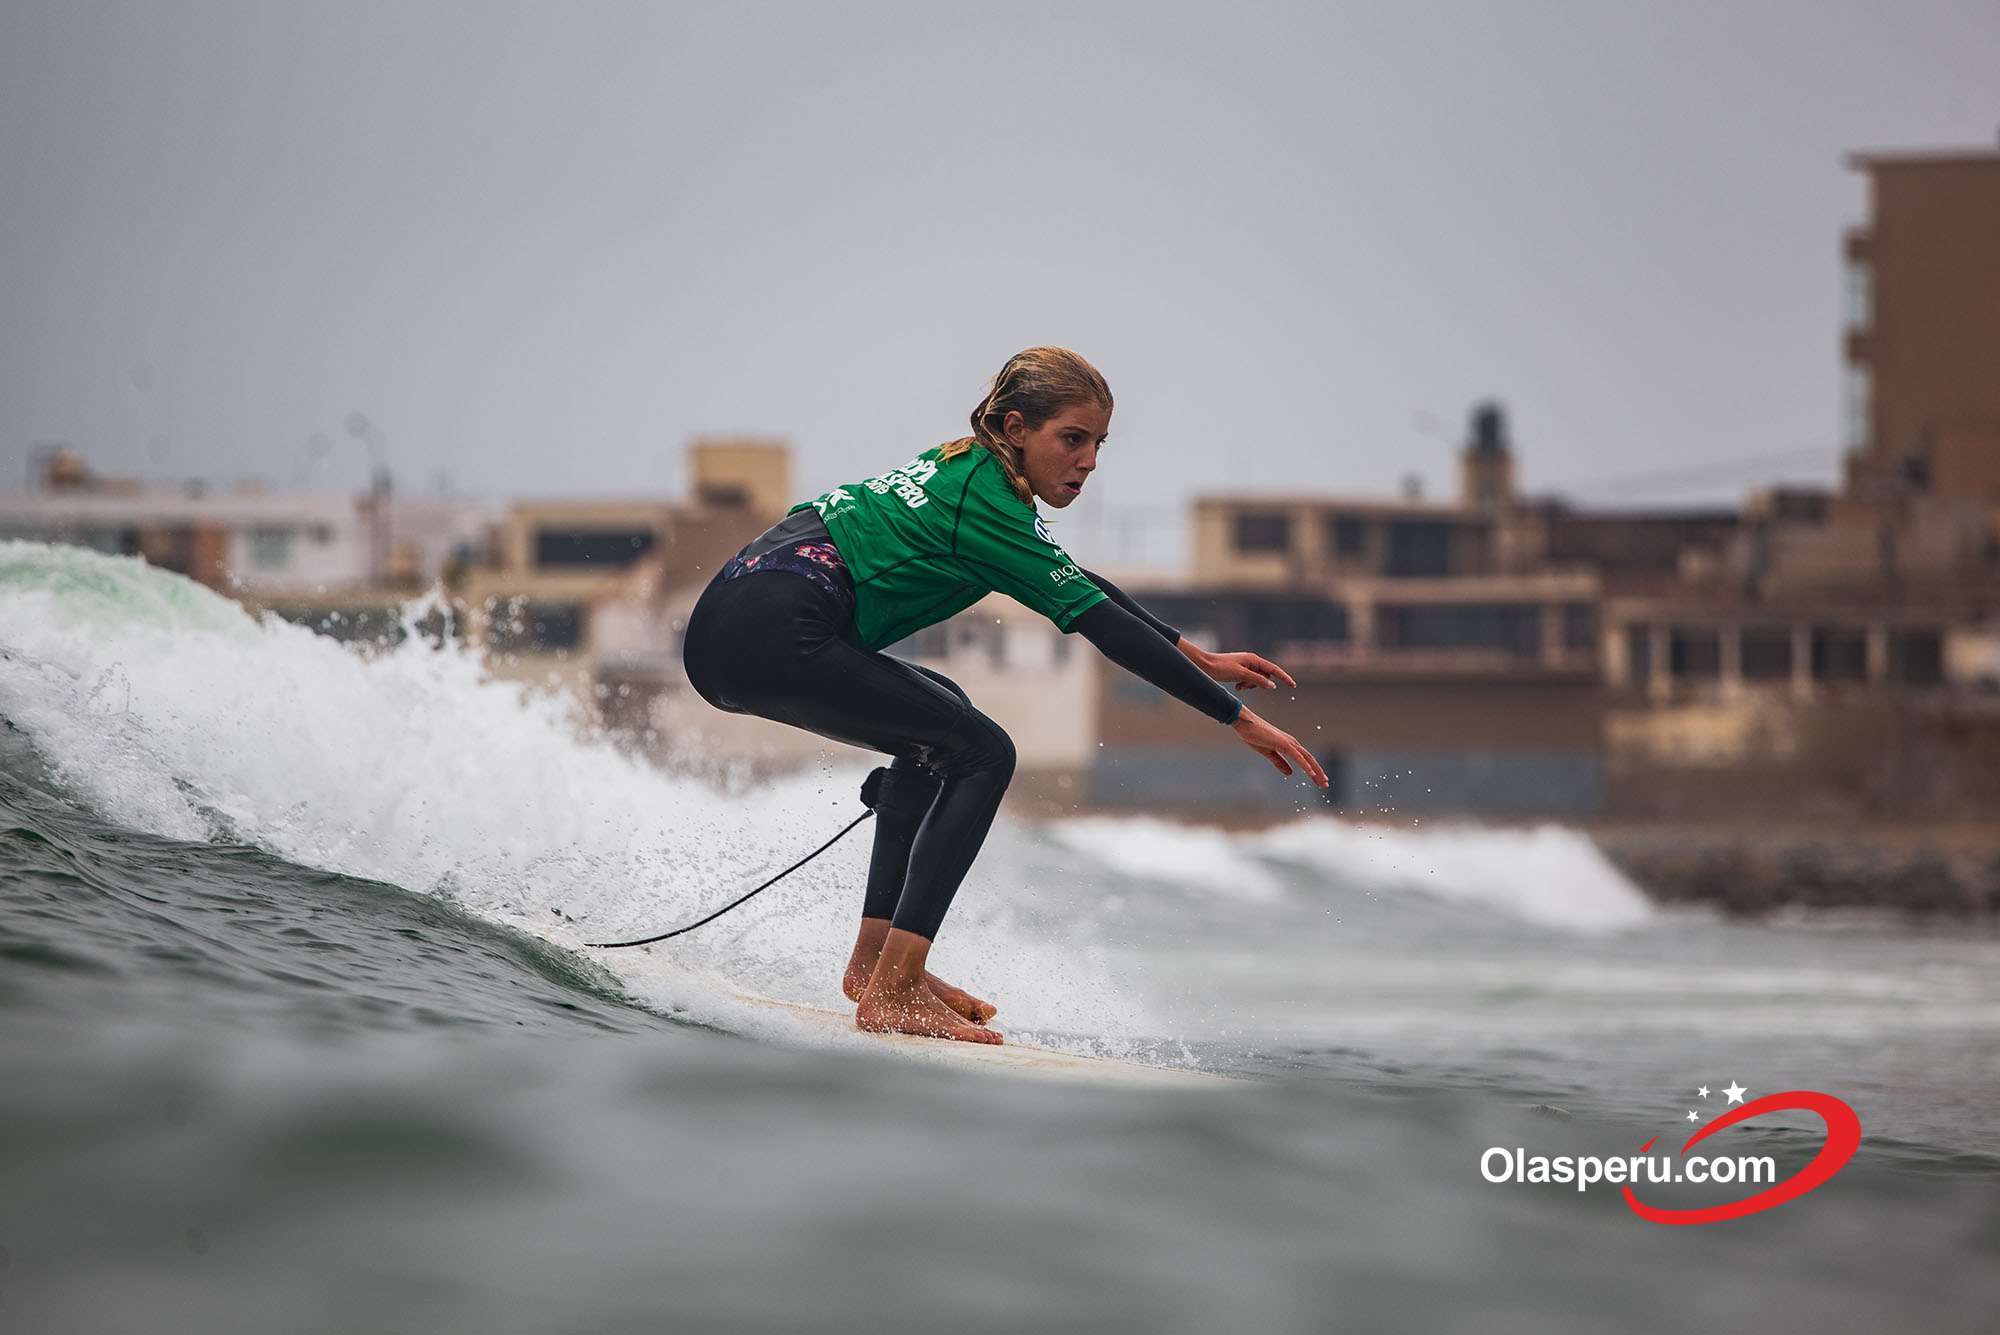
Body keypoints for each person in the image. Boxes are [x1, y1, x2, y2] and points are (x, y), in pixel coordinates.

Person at [681, 347, 1328, 1046]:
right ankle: (893, 988)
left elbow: (1073, 578)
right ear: (1017, 428)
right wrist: (1238, 718)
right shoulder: (982, 502)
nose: (1088, 460)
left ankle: (877, 964)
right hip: (768, 630)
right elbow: (1101, 625)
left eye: (1098, 444)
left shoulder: (970, 469)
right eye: (1072, 439)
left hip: (731, 618)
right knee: (983, 751)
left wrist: (1193, 653)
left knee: (943, 723)